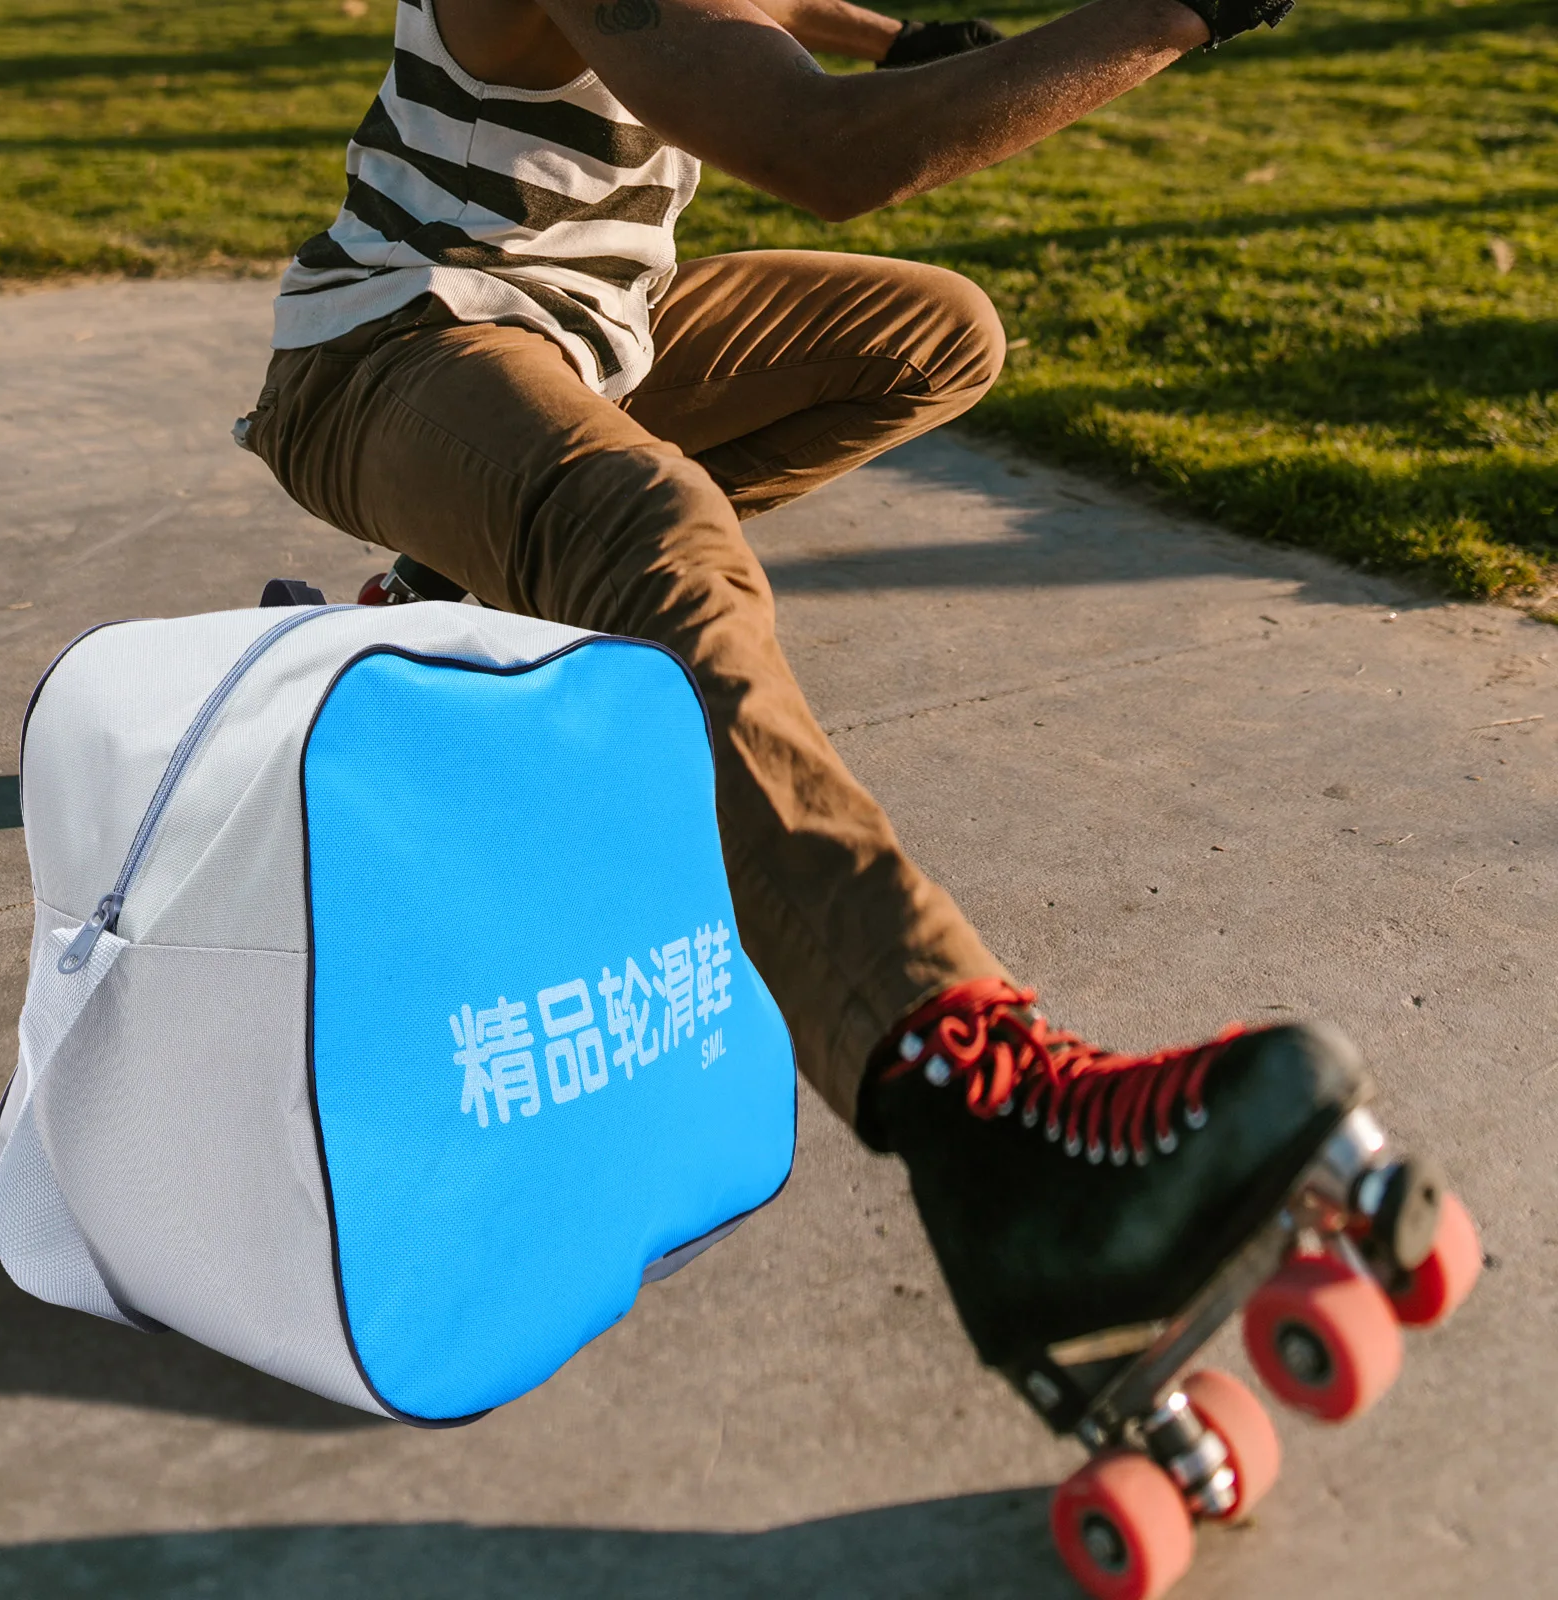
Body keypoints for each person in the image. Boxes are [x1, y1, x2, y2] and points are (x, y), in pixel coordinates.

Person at [240, 0, 1417, 1481]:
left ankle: (457, 584)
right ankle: (975, 1104)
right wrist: (1173, 13)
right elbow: (824, 153)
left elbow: (774, 13)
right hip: (391, 349)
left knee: (936, 334)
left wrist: (893, 35)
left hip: (586, 345)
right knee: (645, 527)